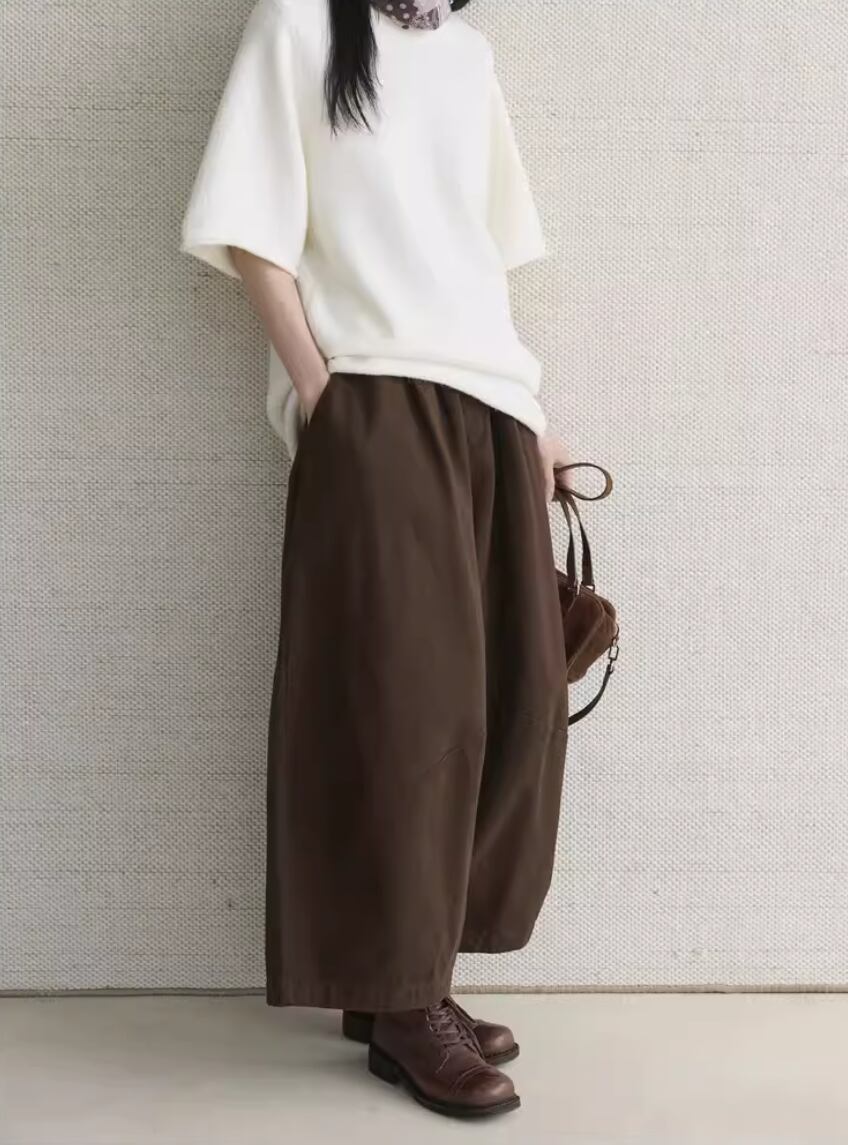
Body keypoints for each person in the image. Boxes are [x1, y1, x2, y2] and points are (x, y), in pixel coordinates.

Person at [181, 0, 573, 1120]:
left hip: (492, 405)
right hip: (375, 400)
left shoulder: (465, 54)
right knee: (405, 706)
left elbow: (478, 260)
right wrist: (325, 396)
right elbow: (252, 230)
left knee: (513, 700)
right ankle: (403, 1002)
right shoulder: (298, 24)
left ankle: (405, 978)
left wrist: (537, 419)